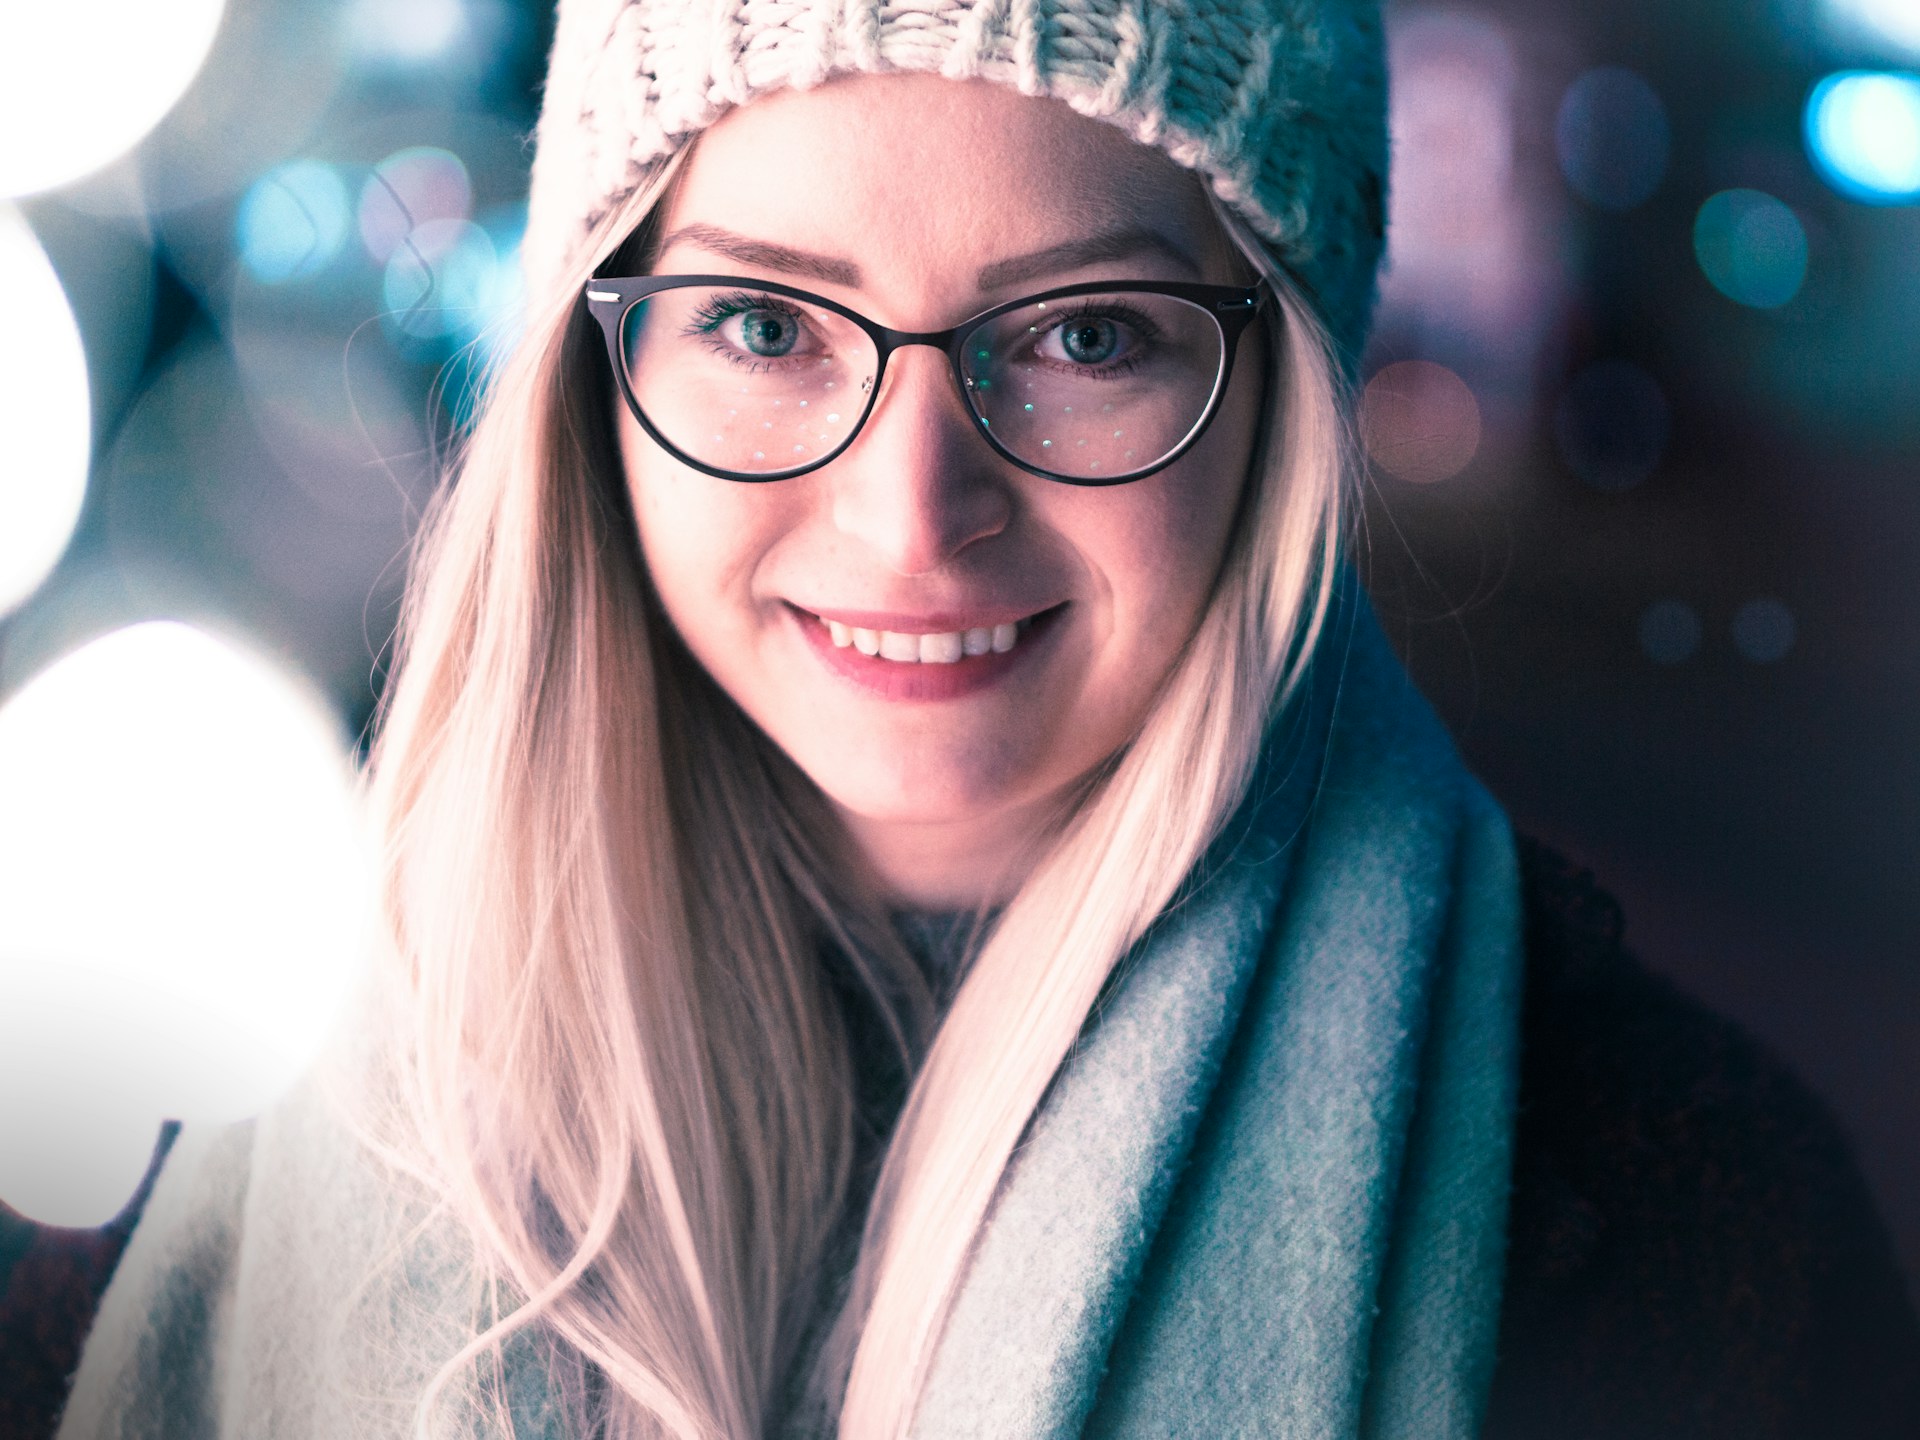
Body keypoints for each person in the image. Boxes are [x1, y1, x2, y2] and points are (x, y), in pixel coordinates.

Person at [30, 1, 1920, 1437]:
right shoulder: (168, 1101)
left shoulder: (1682, 1230)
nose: (914, 510)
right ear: (589, 383)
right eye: (766, 325)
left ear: (1280, 404)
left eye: (1085, 333)